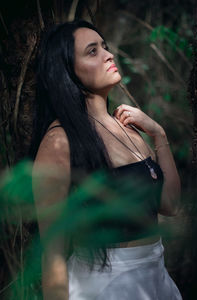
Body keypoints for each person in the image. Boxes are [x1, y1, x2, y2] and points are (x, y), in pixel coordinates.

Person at [31, 20, 182, 300]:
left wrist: (159, 135)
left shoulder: (127, 128)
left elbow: (170, 205)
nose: (108, 54)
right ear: (68, 72)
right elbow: (52, 254)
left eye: (105, 46)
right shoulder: (59, 141)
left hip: (156, 277)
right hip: (105, 285)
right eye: (92, 51)